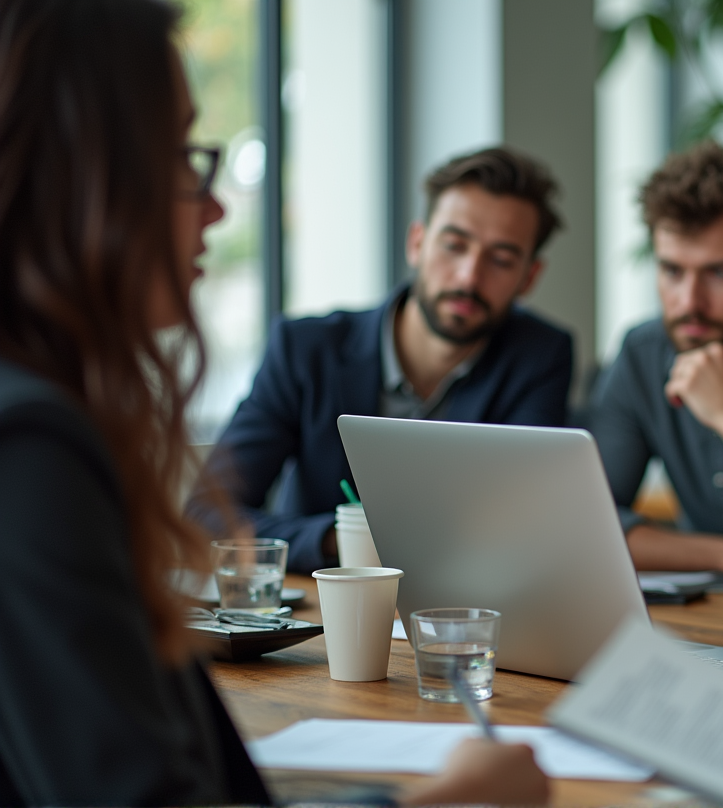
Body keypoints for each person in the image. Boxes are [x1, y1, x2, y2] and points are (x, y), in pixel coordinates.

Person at [0, 1, 548, 803]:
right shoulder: (29, 446)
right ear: (85, 176)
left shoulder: (40, 422)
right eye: (180, 158)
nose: (216, 208)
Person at [191, 147, 574, 573]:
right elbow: (206, 514)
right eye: (453, 245)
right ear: (417, 243)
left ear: (530, 277)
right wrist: (339, 540)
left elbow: (528, 526)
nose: (469, 276)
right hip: (323, 613)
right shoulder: (306, 349)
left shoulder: (540, 356)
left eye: (501, 260)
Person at [588, 143, 723, 572]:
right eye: (672, 271)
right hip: (712, 610)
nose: (690, 302)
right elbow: (586, 523)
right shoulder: (642, 353)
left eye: (720, 273)